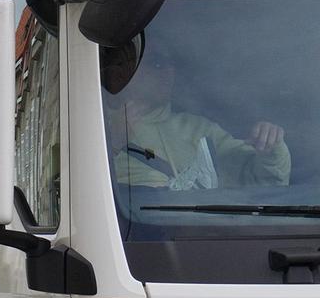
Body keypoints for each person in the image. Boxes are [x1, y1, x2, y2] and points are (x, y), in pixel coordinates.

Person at [107, 42, 291, 190]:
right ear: (124, 70)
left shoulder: (200, 129)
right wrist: (112, 143)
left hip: (197, 234)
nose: (169, 71)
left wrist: (271, 149)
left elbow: (264, 186)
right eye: (156, 62)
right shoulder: (92, 124)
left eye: (173, 63)